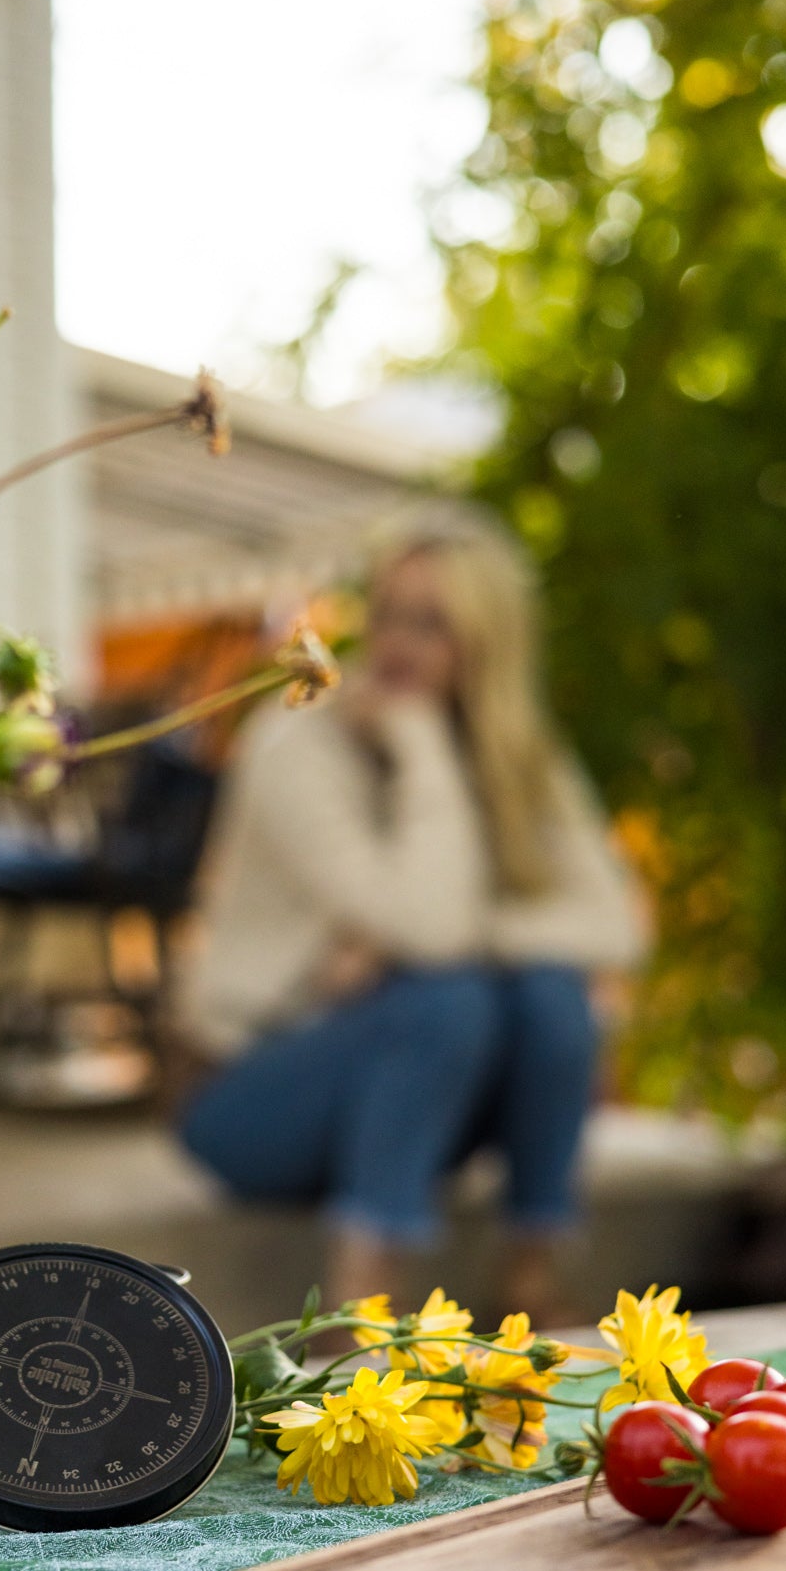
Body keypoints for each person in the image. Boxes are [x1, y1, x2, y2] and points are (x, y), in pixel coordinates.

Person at [175, 507, 649, 1322]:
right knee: (447, 994)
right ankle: (361, 1311)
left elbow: (620, 926)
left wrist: (467, 940)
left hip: (426, 1091)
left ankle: (530, 1276)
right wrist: (422, 746)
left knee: (548, 994)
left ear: (487, 642)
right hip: (255, 1096)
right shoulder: (298, 746)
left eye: (432, 625)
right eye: (388, 614)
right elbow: (433, 935)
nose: (397, 645)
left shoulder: (518, 753)